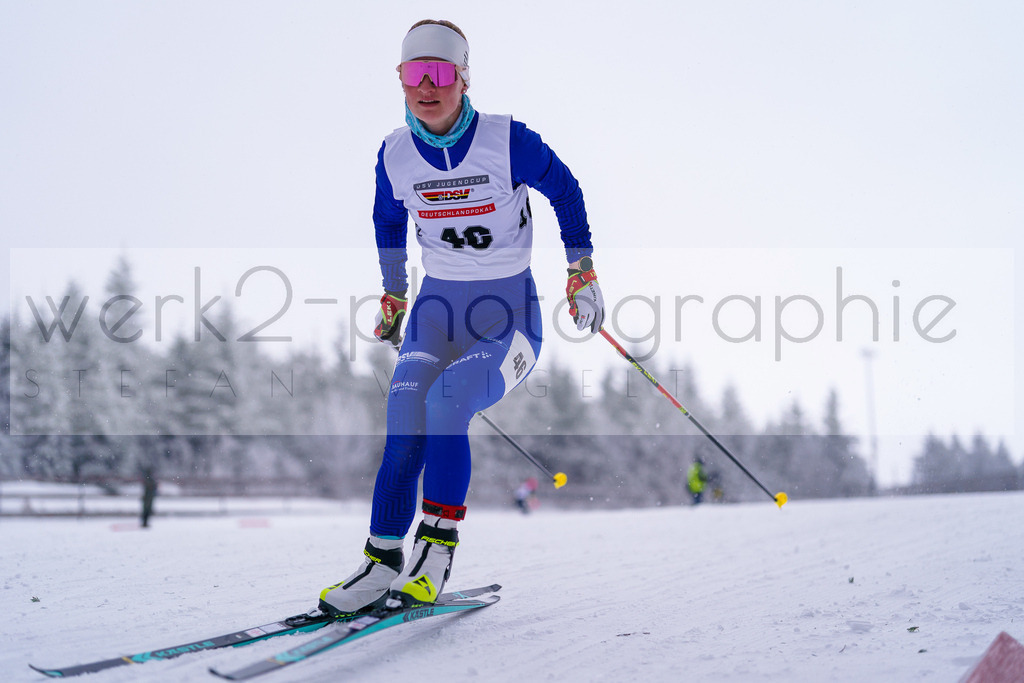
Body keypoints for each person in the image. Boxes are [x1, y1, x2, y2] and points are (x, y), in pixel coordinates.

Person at [319, 19, 604, 614]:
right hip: (436, 311)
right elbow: (388, 223)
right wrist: (394, 293)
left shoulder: (508, 141)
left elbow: (566, 189)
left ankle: (437, 549)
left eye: (440, 72)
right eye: (413, 73)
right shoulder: (395, 154)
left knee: (448, 402)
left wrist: (581, 268)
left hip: (510, 319)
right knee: (405, 411)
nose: (427, 86)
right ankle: (380, 560)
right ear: (399, 80)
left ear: (463, 77)